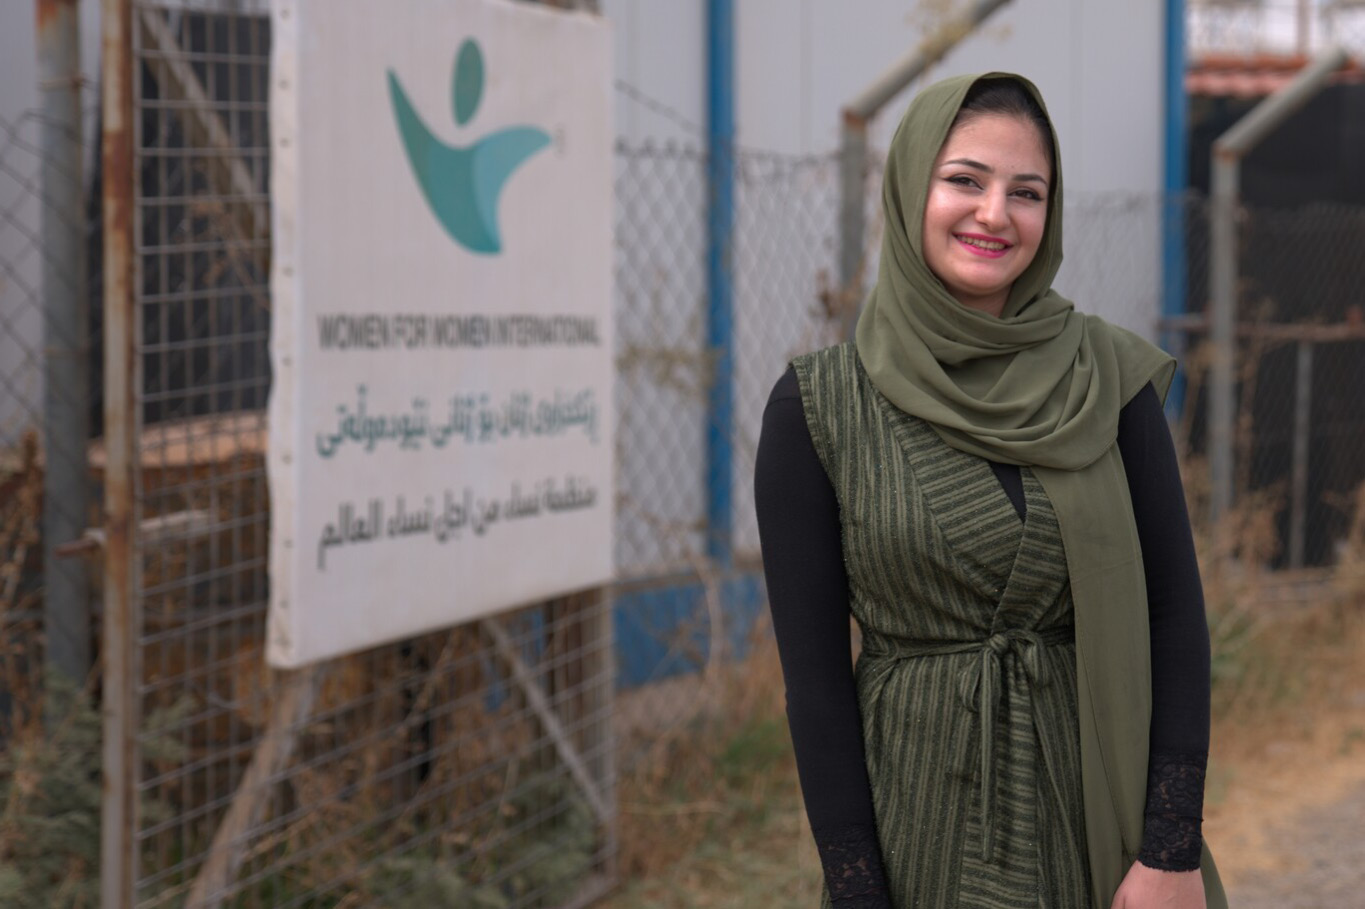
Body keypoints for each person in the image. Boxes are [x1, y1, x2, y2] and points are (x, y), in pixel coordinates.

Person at [753, 73, 1228, 908]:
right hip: (917, 830)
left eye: (1026, 192)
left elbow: (1173, 621)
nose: (994, 214)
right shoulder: (818, 408)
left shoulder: (1104, 378)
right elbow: (818, 684)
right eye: (964, 180)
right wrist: (858, 888)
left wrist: (1168, 849)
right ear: (909, 190)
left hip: (1096, 823)